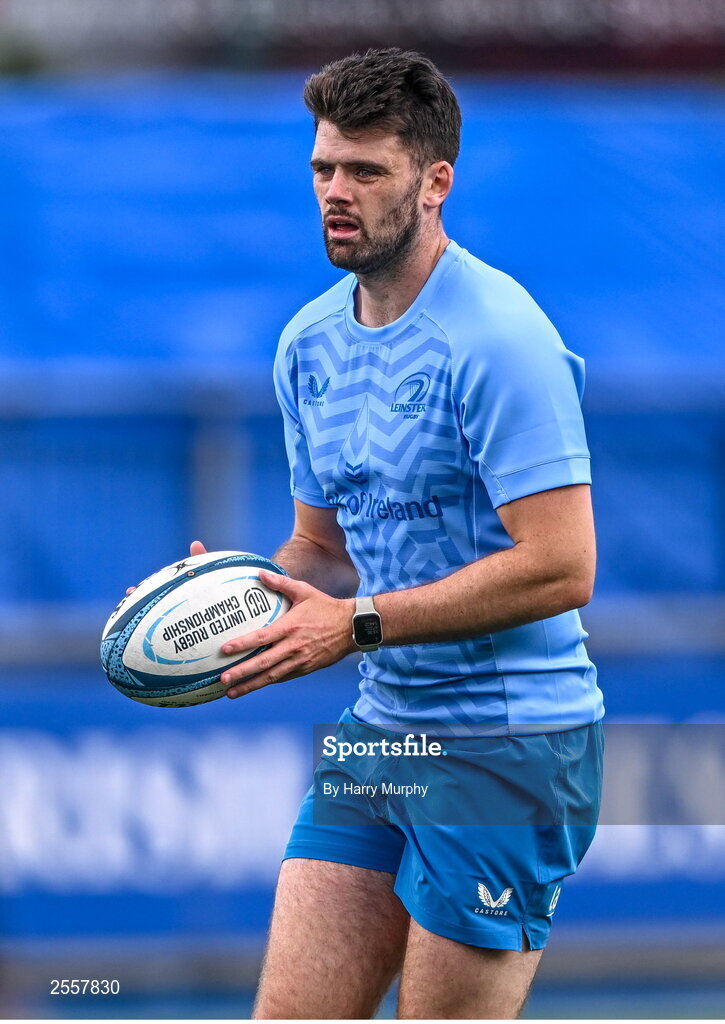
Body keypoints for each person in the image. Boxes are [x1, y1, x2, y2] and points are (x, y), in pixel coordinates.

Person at [199, 48, 604, 1019]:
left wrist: (357, 625)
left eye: (364, 172)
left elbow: (563, 565)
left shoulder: (500, 338)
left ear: (434, 184)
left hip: (508, 743)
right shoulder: (306, 343)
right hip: (384, 729)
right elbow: (322, 550)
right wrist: (241, 590)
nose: (334, 194)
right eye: (321, 170)